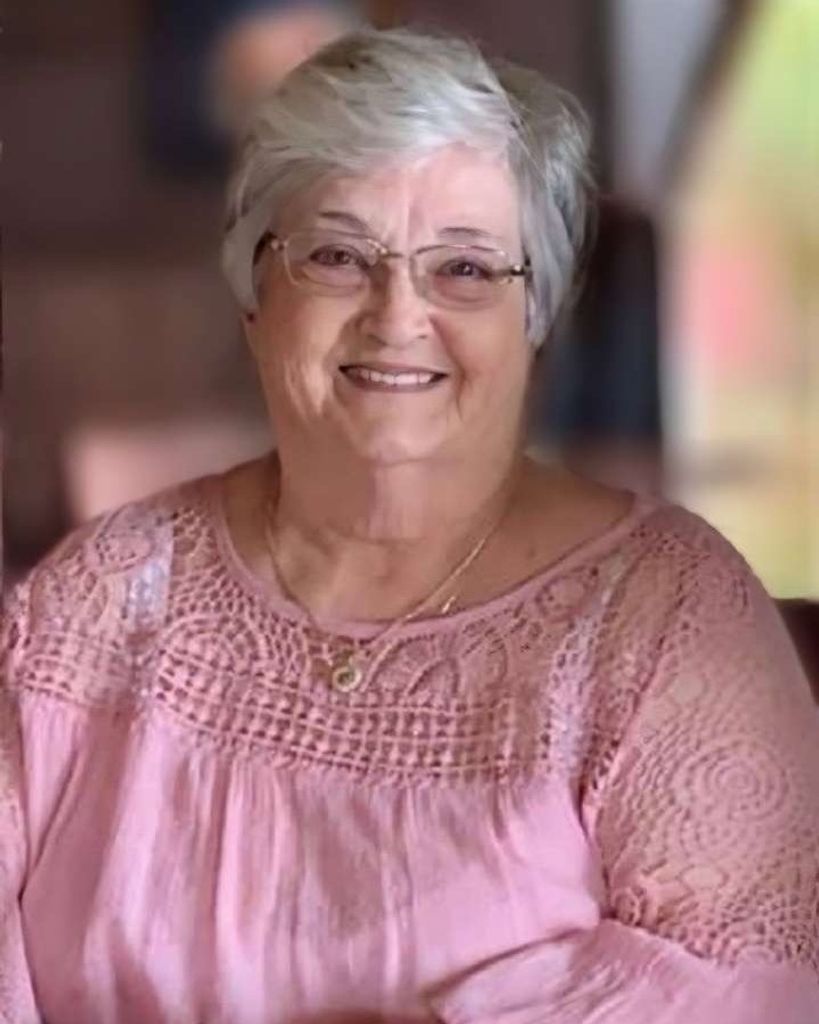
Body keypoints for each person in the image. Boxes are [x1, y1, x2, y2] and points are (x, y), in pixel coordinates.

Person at [1, 27, 817, 1024]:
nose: (396, 316)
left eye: (464, 268)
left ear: (535, 317)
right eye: (338, 256)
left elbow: (747, 983)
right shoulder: (97, 598)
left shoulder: (668, 620)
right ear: (255, 292)